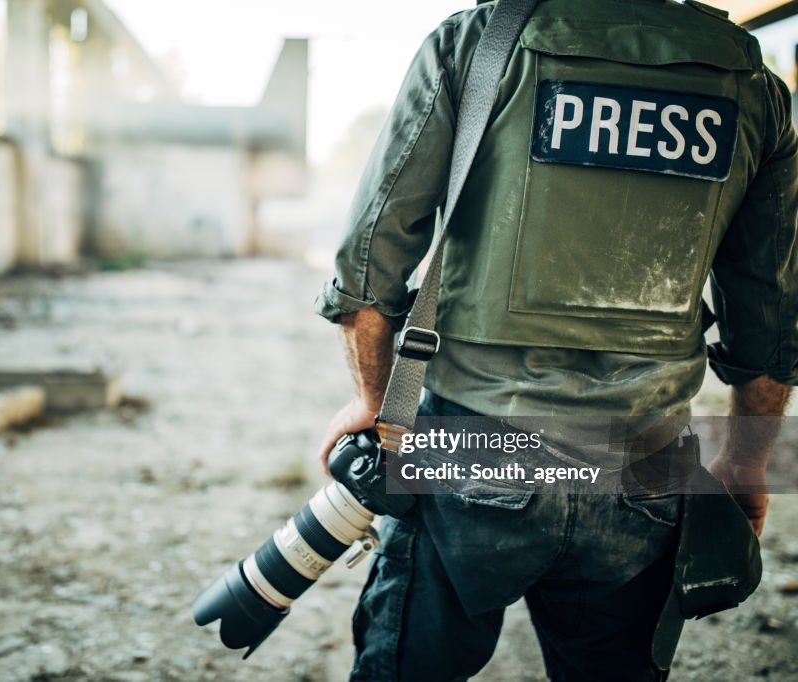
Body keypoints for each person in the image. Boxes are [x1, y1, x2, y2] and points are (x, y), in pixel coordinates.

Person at [314, 0, 798, 680]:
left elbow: (369, 259)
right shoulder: (753, 85)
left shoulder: (478, 43)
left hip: (473, 446)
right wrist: (749, 462)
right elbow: (771, 312)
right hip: (646, 464)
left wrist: (373, 397)